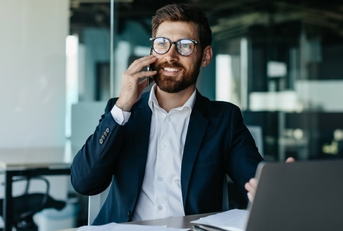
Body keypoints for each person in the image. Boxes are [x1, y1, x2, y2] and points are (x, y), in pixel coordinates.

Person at [70, 3, 264, 225]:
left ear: (205, 56)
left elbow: (254, 180)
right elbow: (84, 183)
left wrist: (274, 185)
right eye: (162, 44)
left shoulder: (224, 119)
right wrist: (123, 106)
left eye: (185, 46)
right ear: (152, 51)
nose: (170, 55)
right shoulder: (123, 112)